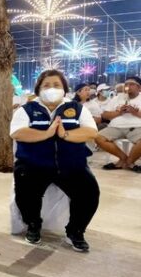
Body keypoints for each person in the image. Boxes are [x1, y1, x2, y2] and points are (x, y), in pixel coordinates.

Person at [10, 70, 99, 252]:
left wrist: (65, 134)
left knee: (89, 192)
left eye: (57, 85)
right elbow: (17, 132)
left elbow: (91, 131)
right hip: (34, 164)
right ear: (38, 89)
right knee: (25, 190)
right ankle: (33, 224)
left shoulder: (77, 109)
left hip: (70, 164)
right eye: (47, 85)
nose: (52, 89)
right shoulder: (26, 109)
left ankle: (75, 231)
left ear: (64, 89)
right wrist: (47, 134)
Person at [96, 76, 141, 172]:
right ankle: (124, 159)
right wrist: (119, 112)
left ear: (139, 87)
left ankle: (129, 162)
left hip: (137, 127)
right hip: (115, 127)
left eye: (131, 84)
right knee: (98, 137)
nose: (128, 86)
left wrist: (135, 112)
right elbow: (105, 115)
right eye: (126, 84)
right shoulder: (117, 98)